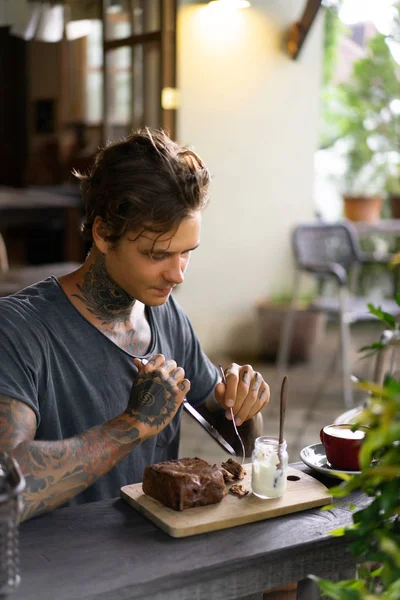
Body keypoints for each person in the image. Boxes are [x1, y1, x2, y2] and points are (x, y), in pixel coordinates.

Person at [0, 129, 270, 523]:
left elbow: (235, 441)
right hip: (57, 576)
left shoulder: (166, 315)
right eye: (158, 254)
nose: (177, 275)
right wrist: (133, 425)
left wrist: (244, 406)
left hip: (156, 560)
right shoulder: (19, 330)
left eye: (187, 254)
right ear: (104, 234)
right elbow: (7, 486)